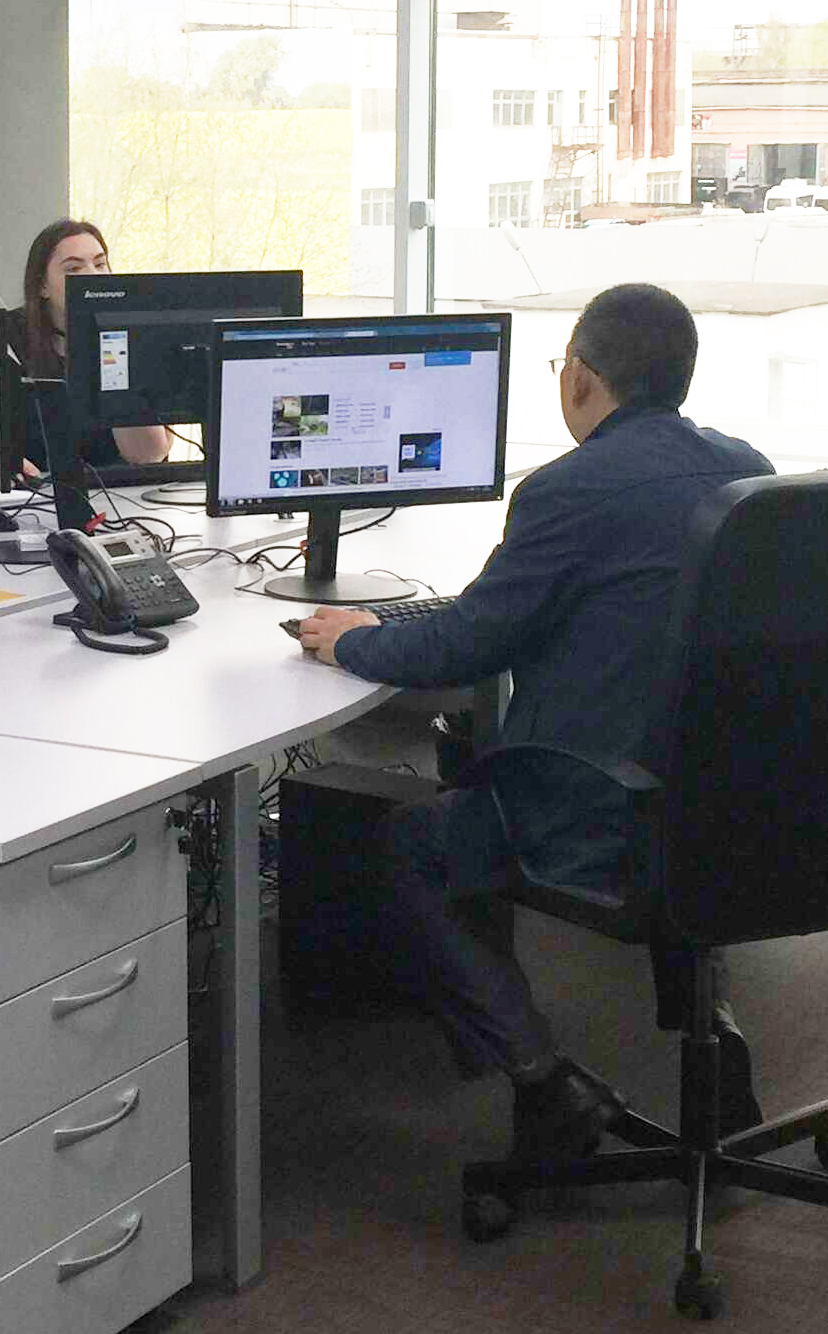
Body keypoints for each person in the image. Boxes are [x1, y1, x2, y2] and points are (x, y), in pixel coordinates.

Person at [286, 284, 772, 1167]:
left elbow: (468, 644)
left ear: (580, 377)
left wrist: (355, 638)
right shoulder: (749, 471)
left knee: (412, 844)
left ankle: (543, 1079)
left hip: (598, 811)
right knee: (681, 781)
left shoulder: (568, 490)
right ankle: (718, 1034)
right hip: (733, 803)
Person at [0, 218, 172, 484]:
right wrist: (4, 463)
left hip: (123, 492)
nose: (92, 276)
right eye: (74, 268)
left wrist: (117, 360)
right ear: (42, 285)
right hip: (34, 490)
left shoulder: (136, 333)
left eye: (100, 264)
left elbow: (148, 455)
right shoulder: (7, 334)